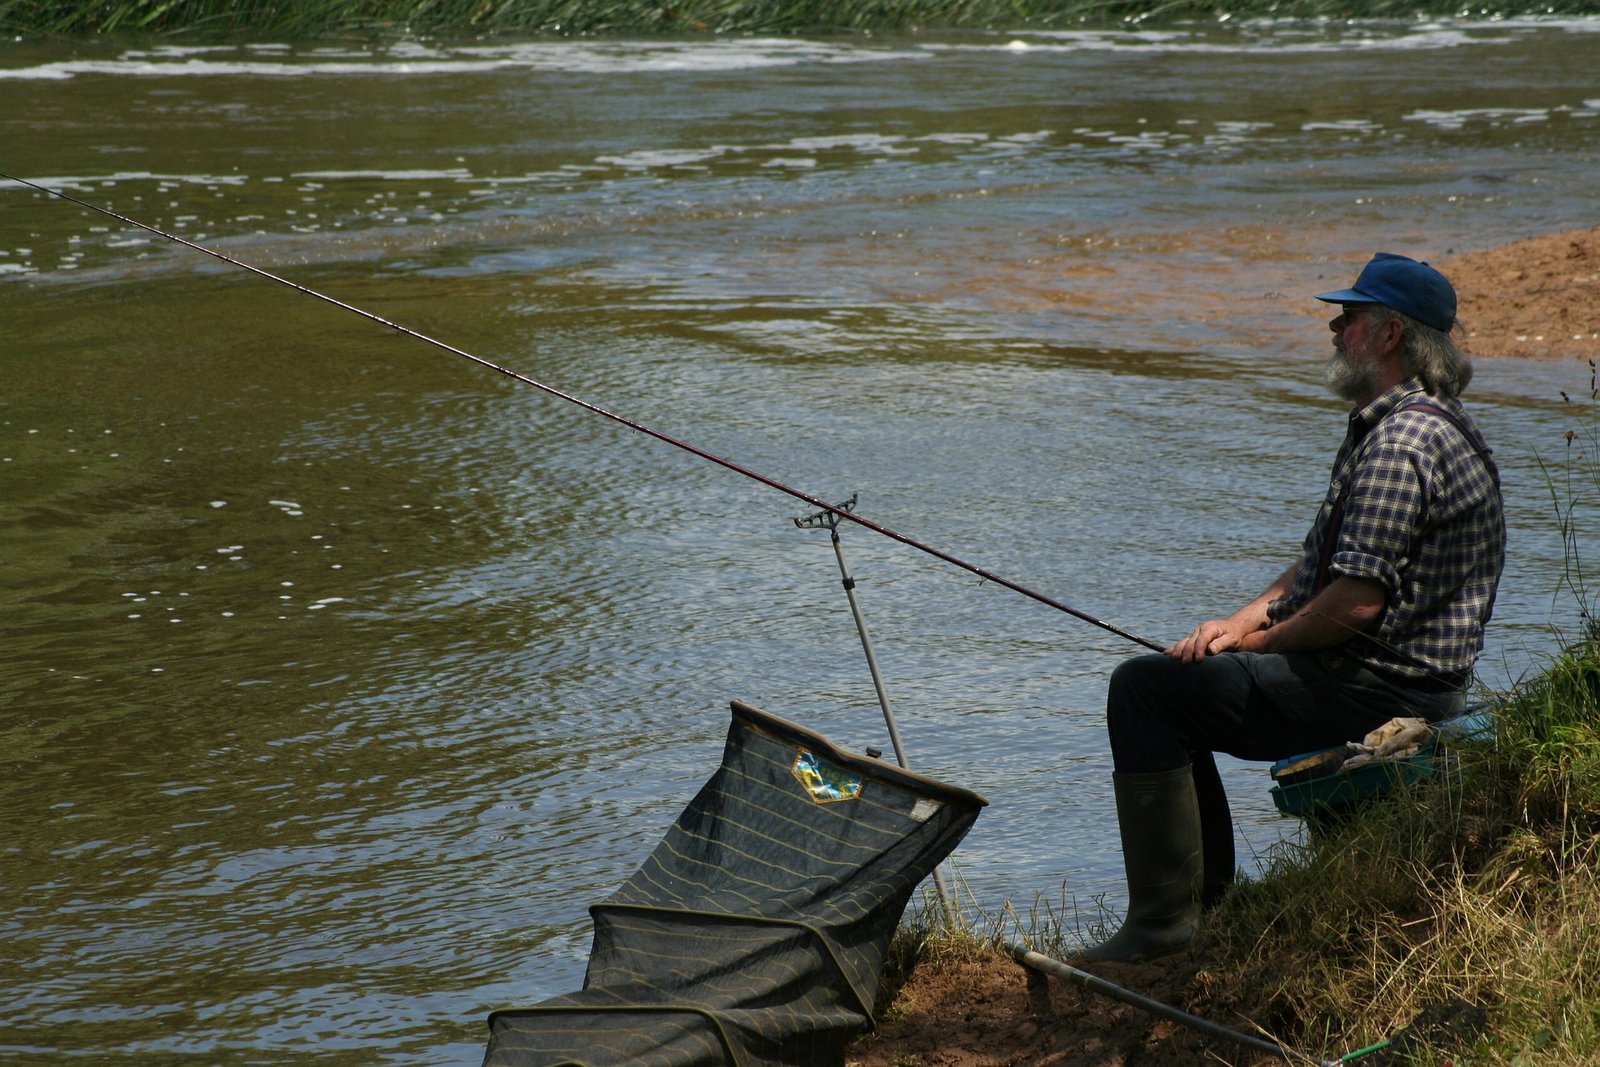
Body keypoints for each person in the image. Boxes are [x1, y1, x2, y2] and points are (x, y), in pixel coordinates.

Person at [1083, 252, 1506, 963]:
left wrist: (1254, 651)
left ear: (1391, 333)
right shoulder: (1420, 422)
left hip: (1378, 687)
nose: (1334, 328)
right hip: (1390, 673)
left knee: (1147, 691)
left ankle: (1165, 927)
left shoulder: (1402, 442)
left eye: (1349, 316)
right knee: (1177, 678)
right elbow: (1319, 566)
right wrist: (1240, 620)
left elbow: (1353, 607)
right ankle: (1203, 910)